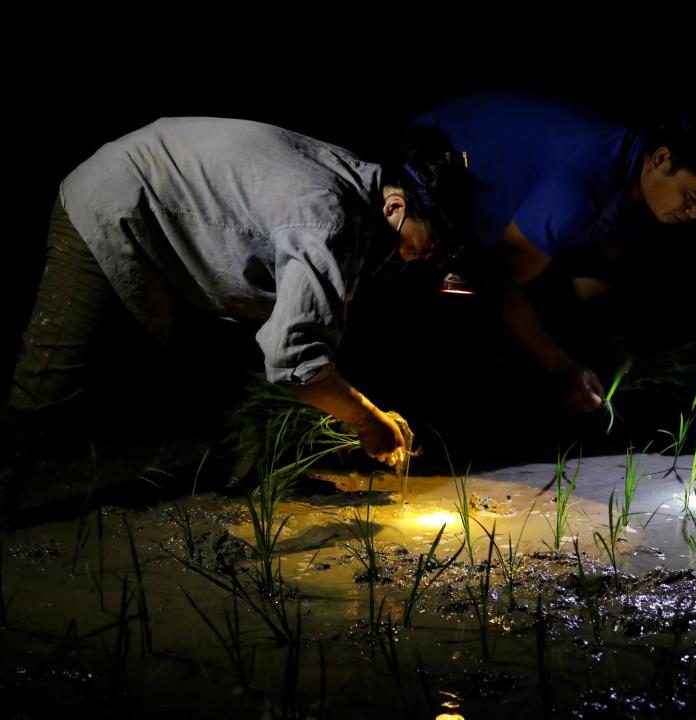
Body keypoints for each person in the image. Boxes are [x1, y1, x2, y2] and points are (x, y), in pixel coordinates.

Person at [0, 116, 462, 522]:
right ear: (396, 207)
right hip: (117, 198)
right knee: (49, 376)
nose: (428, 254)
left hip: (177, 208)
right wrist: (368, 420)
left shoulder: (361, 183)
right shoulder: (331, 218)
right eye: (430, 238)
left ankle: (246, 478)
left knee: (251, 344)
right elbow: (296, 361)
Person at [409, 95, 696, 413]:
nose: (694, 214)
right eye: (693, 196)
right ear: (661, 159)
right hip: (421, 162)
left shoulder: (635, 180)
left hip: (496, 202)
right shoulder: (580, 184)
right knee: (472, 310)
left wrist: (614, 346)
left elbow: (593, 269)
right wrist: (561, 368)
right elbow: (497, 282)